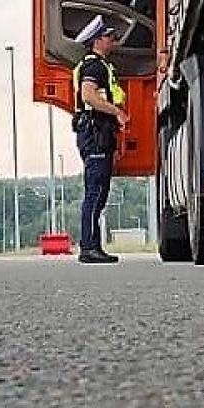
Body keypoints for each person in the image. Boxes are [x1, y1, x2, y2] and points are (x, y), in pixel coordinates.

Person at [72, 14, 130, 264]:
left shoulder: (100, 65)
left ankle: (93, 246)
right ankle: (88, 247)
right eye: (109, 37)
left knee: (99, 190)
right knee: (95, 191)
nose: (113, 41)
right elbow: (88, 95)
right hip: (94, 132)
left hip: (100, 133)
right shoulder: (93, 66)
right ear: (97, 41)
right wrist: (117, 112)